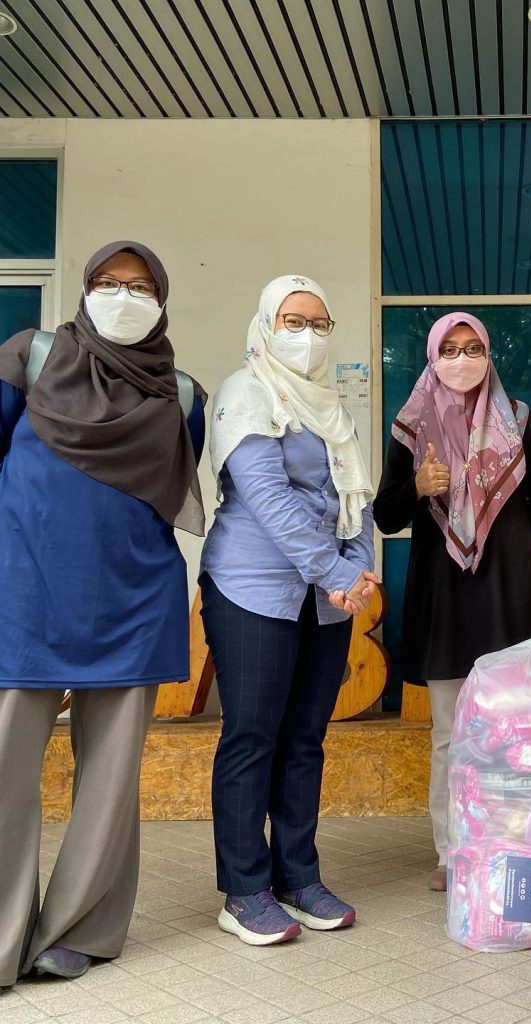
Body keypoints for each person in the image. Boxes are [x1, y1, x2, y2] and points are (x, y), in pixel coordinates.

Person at [0, 242, 205, 987]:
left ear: (163, 300)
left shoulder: (181, 393)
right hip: (25, 596)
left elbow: (170, 482)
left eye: (142, 286)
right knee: (5, 768)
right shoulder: (30, 356)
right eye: (110, 283)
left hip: (131, 601)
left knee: (110, 783)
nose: (125, 296)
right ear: (84, 290)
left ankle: (78, 930)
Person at [200, 275, 377, 945]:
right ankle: (244, 890)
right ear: (266, 325)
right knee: (252, 736)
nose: (306, 335)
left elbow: (355, 496)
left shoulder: (331, 405)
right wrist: (337, 572)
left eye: (318, 323)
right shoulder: (246, 393)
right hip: (253, 588)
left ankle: (298, 877)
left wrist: (360, 570)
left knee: (305, 736)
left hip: (326, 598)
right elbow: (269, 500)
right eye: (293, 321)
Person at [374, 312, 531, 892]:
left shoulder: (517, 419)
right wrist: (419, 489)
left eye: (472, 347)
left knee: (515, 727)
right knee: (450, 733)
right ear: (433, 357)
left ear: (488, 355)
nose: (462, 359)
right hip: (445, 598)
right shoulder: (411, 425)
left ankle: (512, 842)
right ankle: (452, 850)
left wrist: (498, 534)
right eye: (450, 349)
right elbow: (385, 515)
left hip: (508, 593)